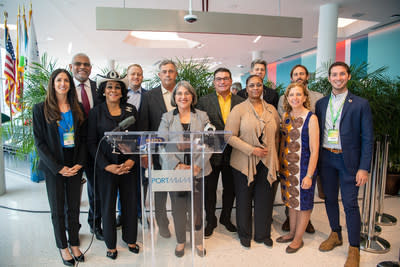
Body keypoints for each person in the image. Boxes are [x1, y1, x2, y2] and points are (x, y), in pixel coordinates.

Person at [315, 62, 373, 267]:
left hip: (348, 160)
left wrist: (364, 167)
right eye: (334, 74)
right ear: (329, 78)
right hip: (326, 158)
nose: (337, 78)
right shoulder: (321, 104)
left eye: (341, 74)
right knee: (330, 199)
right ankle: (335, 234)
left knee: (350, 203)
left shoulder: (360, 103)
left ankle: (354, 248)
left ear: (348, 76)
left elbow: (367, 138)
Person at [33, 69, 86, 266]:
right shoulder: (40, 109)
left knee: (73, 207)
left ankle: (74, 242)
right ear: (52, 83)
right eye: (59, 80)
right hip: (53, 164)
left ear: (70, 84)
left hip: (74, 161)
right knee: (57, 208)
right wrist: (58, 167)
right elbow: (39, 143)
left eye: (66, 80)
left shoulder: (77, 107)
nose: (63, 83)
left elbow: (82, 138)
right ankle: (62, 247)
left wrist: (80, 163)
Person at [87, 71, 139, 260]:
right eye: (109, 86)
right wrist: (106, 166)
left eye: (117, 86)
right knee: (107, 206)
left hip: (128, 167)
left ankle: (130, 238)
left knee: (130, 204)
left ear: (122, 90)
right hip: (106, 169)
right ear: (103, 90)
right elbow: (91, 142)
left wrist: (132, 159)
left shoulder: (131, 110)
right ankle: (111, 244)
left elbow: (139, 138)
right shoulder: (95, 112)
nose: (114, 90)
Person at [225, 74, 280, 248]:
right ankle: (245, 234)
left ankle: (263, 234)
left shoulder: (271, 109)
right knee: (244, 199)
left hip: (267, 162)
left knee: (265, 198)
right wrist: (251, 150)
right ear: (246, 89)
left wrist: (274, 157)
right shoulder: (238, 109)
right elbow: (228, 137)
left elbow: (277, 135)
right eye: (251, 85)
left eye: (258, 85)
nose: (255, 88)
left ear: (262, 87)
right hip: (243, 162)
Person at [158, 81, 211, 257]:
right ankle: (181, 241)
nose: (183, 96)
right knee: (178, 208)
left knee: (196, 209)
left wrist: (197, 165)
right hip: (176, 172)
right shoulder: (167, 117)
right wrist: (177, 165)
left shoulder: (202, 116)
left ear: (192, 96)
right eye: (179, 93)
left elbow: (209, 143)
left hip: (198, 170)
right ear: (174, 97)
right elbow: (162, 144)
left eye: (187, 93)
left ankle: (198, 241)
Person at [197, 68, 244, 238]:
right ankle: (210, 220)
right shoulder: (203, 101)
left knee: (230, 188)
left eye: (225, 79)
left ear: (231, 81)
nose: (222, 82)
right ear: (214, 82)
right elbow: (199, 126)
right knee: (209, 188)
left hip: (234, 151)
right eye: (218, 79)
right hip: (211, 152)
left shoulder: (241, 101)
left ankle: (225, 217)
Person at [276, 64, 323, 233]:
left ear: (305, 97)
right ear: (287, 97)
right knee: (290, 202)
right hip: (287, 168)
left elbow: (315, 149)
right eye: (291, 94)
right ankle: (292, 233)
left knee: (304, 202)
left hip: (303, 167)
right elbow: (282, 142)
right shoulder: (285, 116)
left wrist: (310, 175)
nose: (295, 97)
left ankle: (298, 238)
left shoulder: (312, 118)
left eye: (298, 94)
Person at [138, 59, 178, 238]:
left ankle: (180, 220)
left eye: (171, 71)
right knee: (160, 191)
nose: (168, 74)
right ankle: (162, 224)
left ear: (176, 74)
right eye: (164, 71)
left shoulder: (184, 92)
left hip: (181, 151)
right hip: (158, 152)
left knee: (179, 189)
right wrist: (145, 153)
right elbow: (144, 126)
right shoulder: (149, 96)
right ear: (159, 75)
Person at [69, 53, 103, 240]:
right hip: (71, 149)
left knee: (95, 189)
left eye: (86, 64)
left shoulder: (99, 89)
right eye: (78, 64)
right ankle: (71, 228)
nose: (82, 67)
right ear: (71, 66)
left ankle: (95, 223)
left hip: (94, 147)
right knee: (72, 192)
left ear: (91, 68)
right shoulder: (65, 89)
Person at [116, 63, 147, 227]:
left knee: (142, 182)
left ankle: (141, 213)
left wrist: (143, 152)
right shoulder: (119, 95)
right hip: (123, 148)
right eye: (133, 74)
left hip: (141, 146)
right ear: (127, 76)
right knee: (123, 181)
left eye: (139, 74)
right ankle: (122, 214)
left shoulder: (148, 96)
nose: (136, 77)